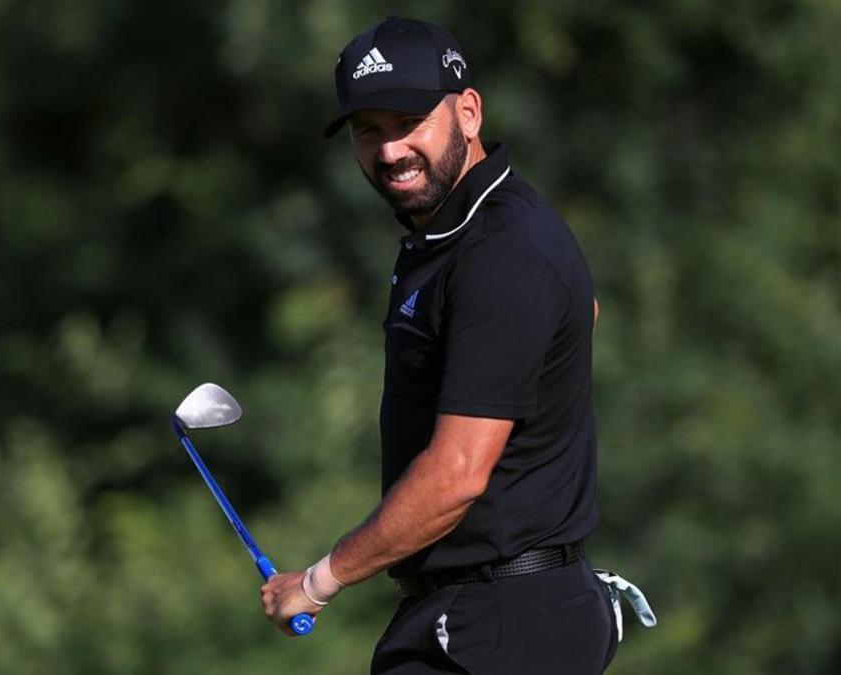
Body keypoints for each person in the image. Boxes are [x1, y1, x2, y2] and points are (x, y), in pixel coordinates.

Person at [260, 16, 652, 674]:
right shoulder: (454, 234)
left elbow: (455, 476)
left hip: (503, 624)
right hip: (477, 617)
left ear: (468, 112)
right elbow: (576, 309)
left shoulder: (502, 250)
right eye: (368, 131)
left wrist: (318, 580)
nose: (389, 152)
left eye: (408, 122)